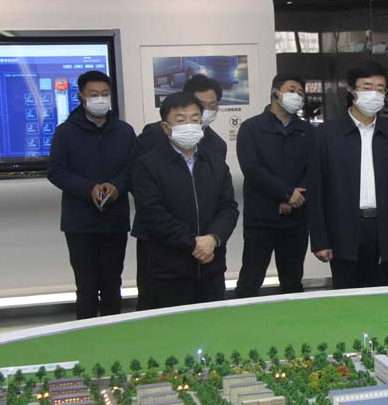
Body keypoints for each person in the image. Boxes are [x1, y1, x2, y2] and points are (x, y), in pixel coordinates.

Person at [309, 60, 388, 288]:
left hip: (385, 228)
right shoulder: (327, 134)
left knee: (384, 294)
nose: (374, 94)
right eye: (367, 87)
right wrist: (320, 240)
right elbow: (317, 190)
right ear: (352, 90)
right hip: (344, 228)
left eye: (380, 88)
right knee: (347, 297)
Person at [133, 92, 239, 308]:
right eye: (181, 120)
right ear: (166, 128)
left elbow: (228, 207)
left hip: (211, 268)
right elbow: (152, 213)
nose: (189, 126)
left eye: (195, 119)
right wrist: (192, 243)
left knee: (211, 324)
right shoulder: (148, 165)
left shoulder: (216, 163)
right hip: (167, 272)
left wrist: (213, 239)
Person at [47, 71, 135, 319]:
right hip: (80, 223)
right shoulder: (65, 132)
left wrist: (117, 186)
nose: (100, 99)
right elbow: (56, 171)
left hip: (115, 221)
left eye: (104, 94)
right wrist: (89, 189)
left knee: (112, 285)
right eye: (94, 94)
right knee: (86, 287)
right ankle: (84, 332)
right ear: (81, 97)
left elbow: (135, 169)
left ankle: (112, 331)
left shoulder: (125, 131)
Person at [235, 74, 312, 297]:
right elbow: (252, 169)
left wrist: (295, 197)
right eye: (291, 90)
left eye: (300, 92)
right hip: (261, 218)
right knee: (250, 279)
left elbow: (314, 169)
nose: (297, 96)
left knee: (292, 280)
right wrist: (286, 193)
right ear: (275, 92)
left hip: (297, 218)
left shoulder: (307, 130)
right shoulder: (251, 128)